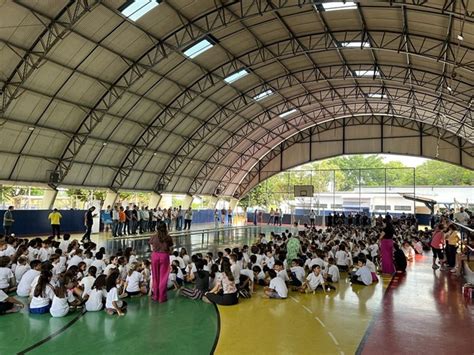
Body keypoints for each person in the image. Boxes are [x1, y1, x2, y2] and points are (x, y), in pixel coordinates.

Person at [149, 222, 174, 303]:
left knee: (155, 276)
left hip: (155, 256)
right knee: (163, 278)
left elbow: (151, 248)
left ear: (157, 228)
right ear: (165, 227)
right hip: (164, 256)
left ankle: (155, 296)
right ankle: (162, 297)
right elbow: (171, 249)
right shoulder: (168, 237)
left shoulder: (153, 237)